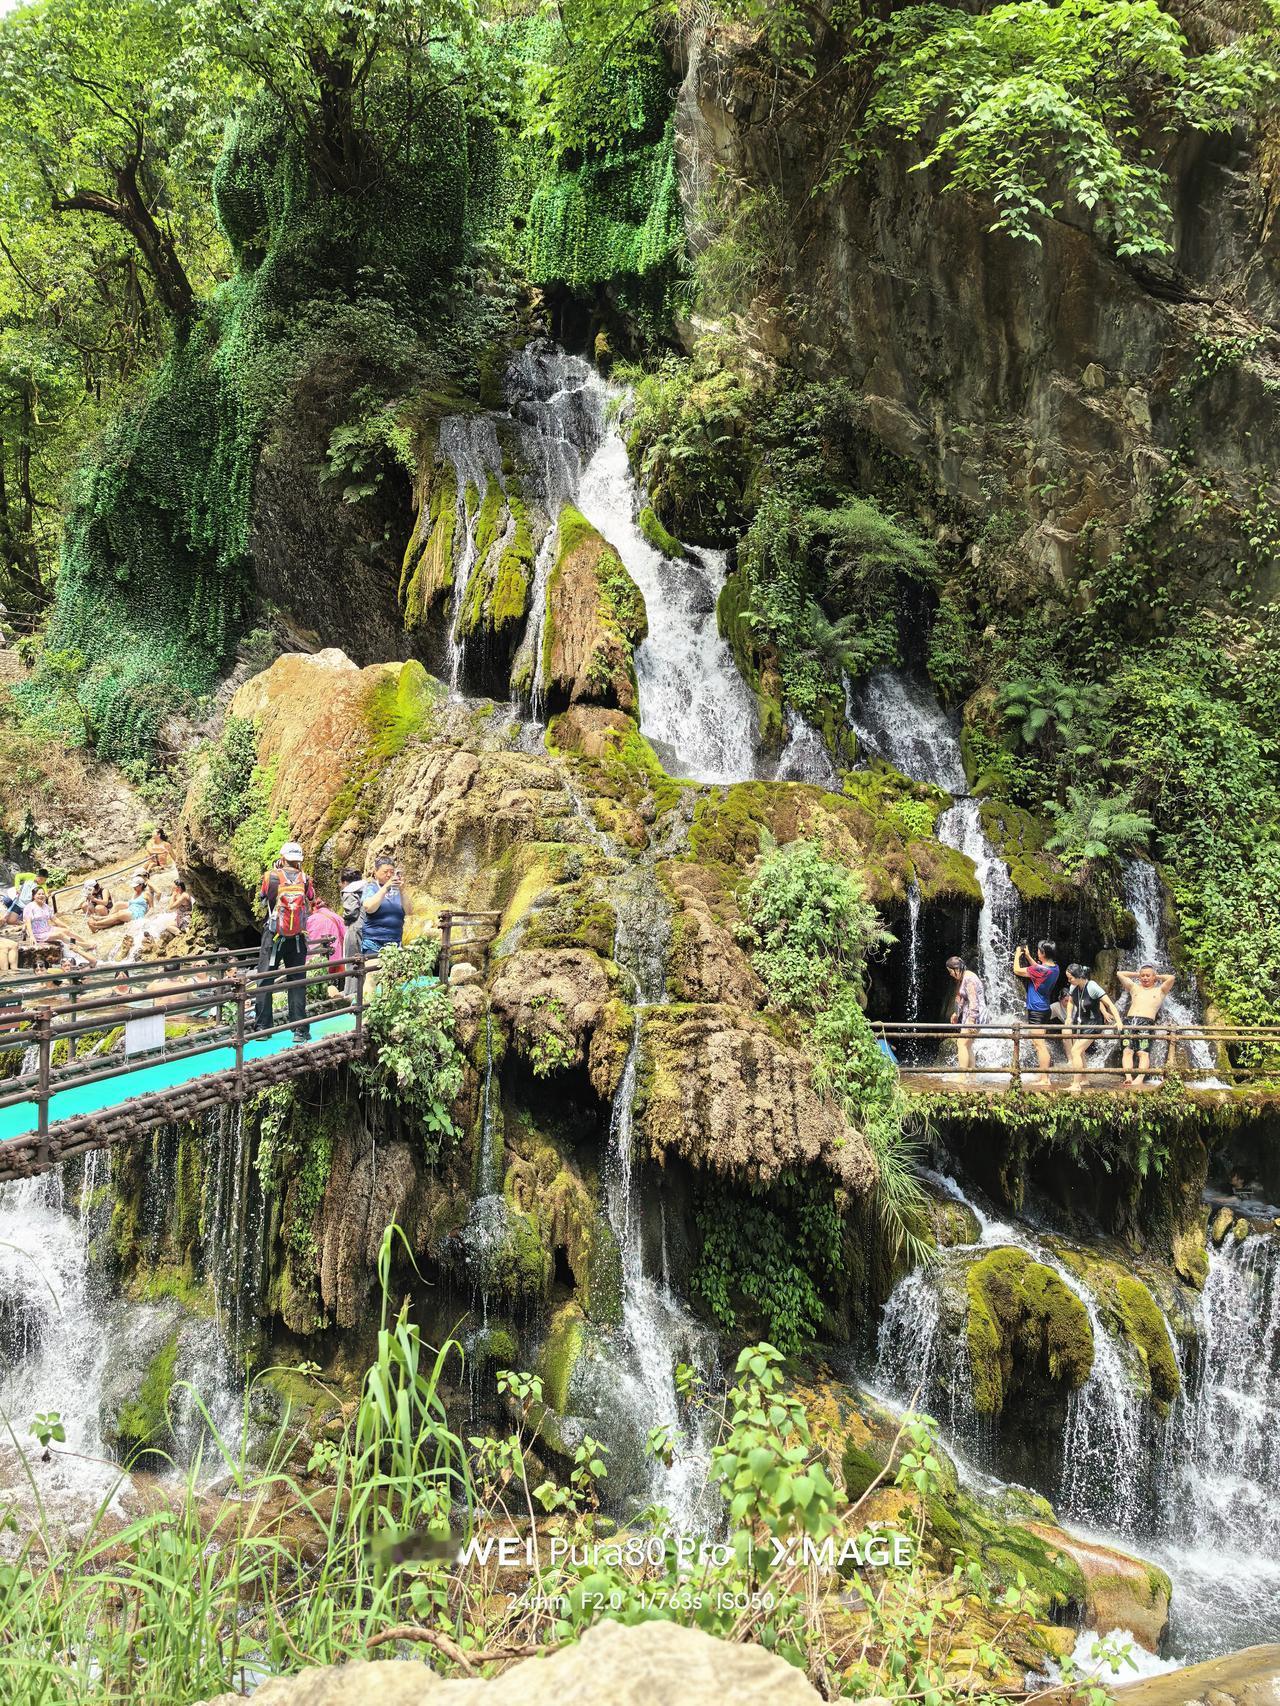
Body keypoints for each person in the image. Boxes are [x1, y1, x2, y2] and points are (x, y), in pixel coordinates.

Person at [254, 841, 316, 1040]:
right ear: (299, 860)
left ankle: (263, 1029)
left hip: (274, 934)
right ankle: (300, 1030)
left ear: (282, 858)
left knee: (265, 979)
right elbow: (311, 898)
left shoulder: (271, 877)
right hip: (297, 937)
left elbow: (264, 898)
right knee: (297, 980)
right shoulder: (305, 878)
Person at [1062, 964, 1122, 1091]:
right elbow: (1071, 1001)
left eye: (1070, 978)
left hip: (1094, 1024)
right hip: (1082, 1023)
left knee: (1075, 1051)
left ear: (1079, 976)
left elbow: (1109, 1004)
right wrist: (1068, 1017)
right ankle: (1084, 1080)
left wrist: (1119, 1021)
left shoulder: (1092, 987)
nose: (1069, 981)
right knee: (1080, 1052)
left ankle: (1076, 1084)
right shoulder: (1074, 987)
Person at [1117, 963, 1177, 1088]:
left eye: (1148, 976)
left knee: (1142, 1052)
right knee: (1127, 1051)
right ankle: (1128, 1077)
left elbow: (1171, 978)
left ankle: (1140, 1078)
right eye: (1142, 975)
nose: (1145, 978)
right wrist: (1137, 974)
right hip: (1129, 1022)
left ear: (1153, 977)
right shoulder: (1134, 987)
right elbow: (1119, 974)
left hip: (1146, 1024)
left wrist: (1157, 976)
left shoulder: (1160, 990)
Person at [1013, 939, 1061, 1083]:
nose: (1037, 952)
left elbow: (1016, 970)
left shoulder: (1040, 970)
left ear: (1043, 953)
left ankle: (1045, 1078)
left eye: (1039, 950)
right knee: (1039, 1043)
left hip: (1037, 1011)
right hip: (1044, 1009)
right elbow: (1038, 968)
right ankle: (1043, 1075)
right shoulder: (1054, 968)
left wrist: (1017, 955)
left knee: (1039, 1045)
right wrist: (1027, 956)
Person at [360, 853, 408, 956]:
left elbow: (409, 911)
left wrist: (403, 890)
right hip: (374, 943)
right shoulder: (371, 888)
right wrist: (386, 887)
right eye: (385, 872)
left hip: (395, 944)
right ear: (376, 872)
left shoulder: (398, 890)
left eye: (392, 872)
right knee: (373, 972)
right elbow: (369, 907)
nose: (389, 875)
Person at [946, 955, 986, 1076]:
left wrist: (972, 1020)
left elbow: (974, 1001)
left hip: (974, 1015)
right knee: (967, 1045)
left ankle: (962, 1076)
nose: (950, 974)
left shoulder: (969, 978)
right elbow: (963, 999)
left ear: (955, 969)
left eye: (950, 971)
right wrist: (956, 1014)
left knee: (961, 1043)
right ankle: (972, 1077)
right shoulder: (966, 977)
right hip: (974, 1014)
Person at [22, 885, 82, 954]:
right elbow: (28, 922)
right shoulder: (29, 907)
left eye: (43, 894)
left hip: (48, 929)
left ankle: (85, 942)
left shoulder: (46, 906)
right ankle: (82, 945)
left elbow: (55, 919)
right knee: (60, 934)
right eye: (39, 894)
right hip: (37, 933)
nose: (41, 896)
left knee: (67, 931)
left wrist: (66, 926)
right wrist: (32, 936)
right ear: (34, 896)